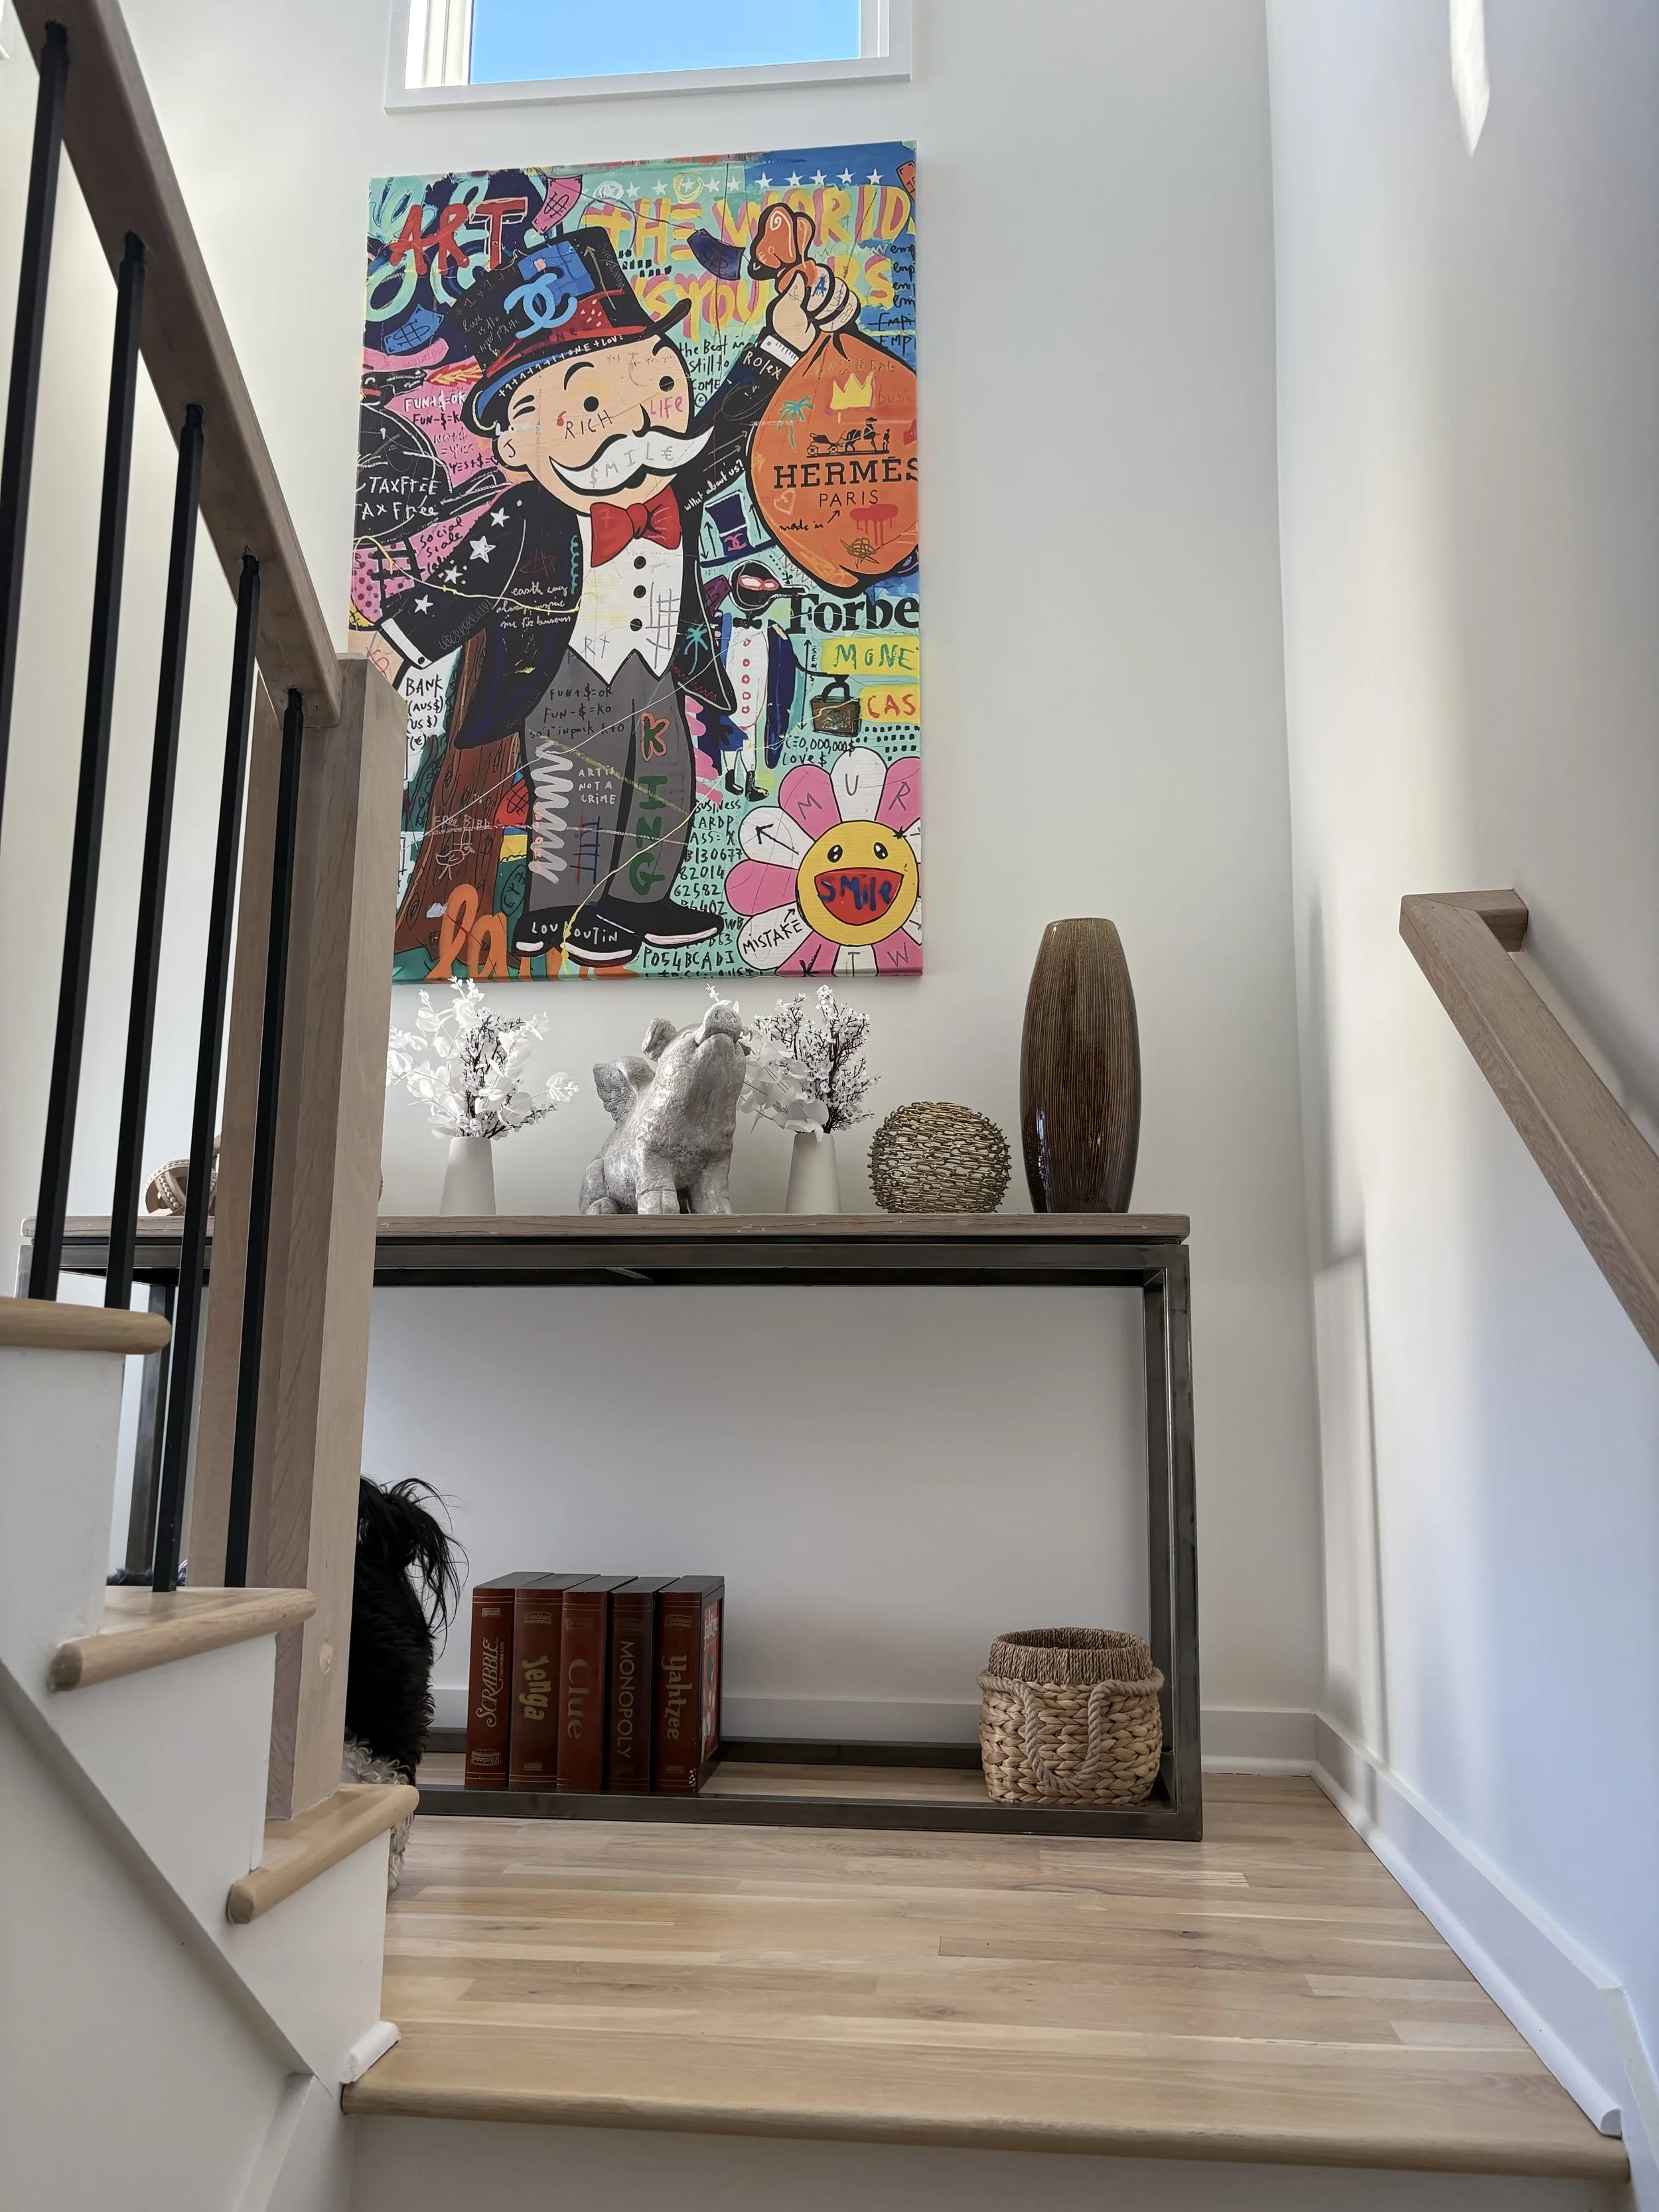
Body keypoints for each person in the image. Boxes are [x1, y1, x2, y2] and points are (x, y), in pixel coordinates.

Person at [365, 228, 854, 967]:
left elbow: (726, 425)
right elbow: (458, 586)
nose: (641, 421)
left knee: (664, 786)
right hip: (564, 678)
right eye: (593, 402)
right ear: (515, 443)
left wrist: (780, 343)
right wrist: (394, 646)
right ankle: (561, 910)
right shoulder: (523, 517)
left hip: (655, 669)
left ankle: (640, 901)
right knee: (578, 800)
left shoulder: (673, 481)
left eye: (659, 384)